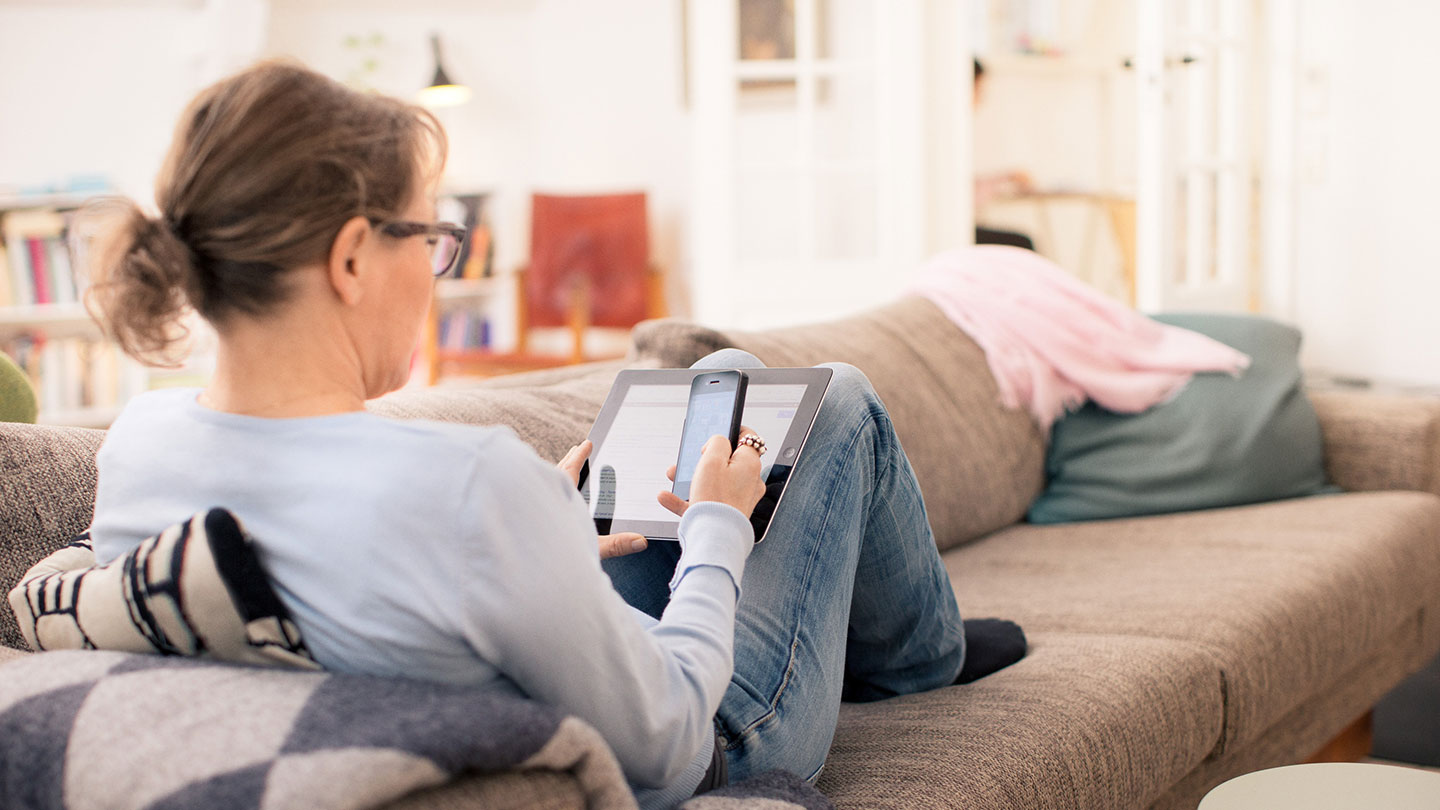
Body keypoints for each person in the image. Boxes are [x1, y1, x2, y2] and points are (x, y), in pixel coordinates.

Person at [81, 61, 965, 809]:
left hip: (544, 662)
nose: (434, 272)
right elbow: (667, 733)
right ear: (351, 259)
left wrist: (543, 535)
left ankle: (865, 628)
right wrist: (716, 528)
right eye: (430, 239)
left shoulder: (138, 444)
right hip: (711, 736)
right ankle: (916, 659)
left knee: (727, 379)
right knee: (838, 401)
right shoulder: (464, 487)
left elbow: (372, 580)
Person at [972, 57, 1037, 251]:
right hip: (960, 228)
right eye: (978, 89)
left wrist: (1006, 178)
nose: (981, 98)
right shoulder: (949, 141)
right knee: (1023, 245)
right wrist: (1003, 181)